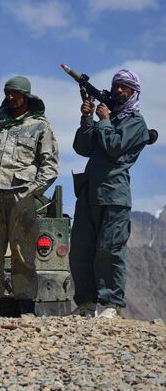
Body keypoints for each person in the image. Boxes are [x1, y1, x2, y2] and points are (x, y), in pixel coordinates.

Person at [0, 76, 59, 317]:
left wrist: (31, 193)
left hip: (22, 195)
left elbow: (50, 166)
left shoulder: (41, 125)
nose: (10, 97)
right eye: (7, 93)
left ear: (26, 96)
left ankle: (25, 302)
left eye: (15, 93)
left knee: (23, 250)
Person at [70, 70, 151, 319]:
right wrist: (86, 119)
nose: (118, 91)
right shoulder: (109, 118)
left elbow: (114, 148)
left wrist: (103, 120)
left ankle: (111, 304)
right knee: (81, 249)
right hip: (89, 194)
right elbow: (82, 148)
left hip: (114, 196)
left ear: (133, 92)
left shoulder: (136, 123)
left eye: (124, 87)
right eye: (116, 86)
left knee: (109, 250)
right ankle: (86, 303)